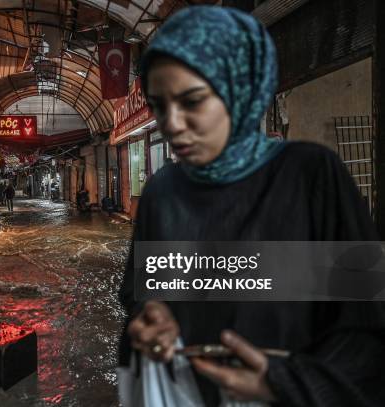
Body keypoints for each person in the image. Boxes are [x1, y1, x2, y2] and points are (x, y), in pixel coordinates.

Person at [119, 6, 385, 407]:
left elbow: (365, 327)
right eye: (159, 105)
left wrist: (284, 384)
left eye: (192, 101)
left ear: (240, 88)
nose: (171, 124)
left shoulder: (311, 175)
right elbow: (144, 294)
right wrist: (150, 317)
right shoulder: (163, 193)